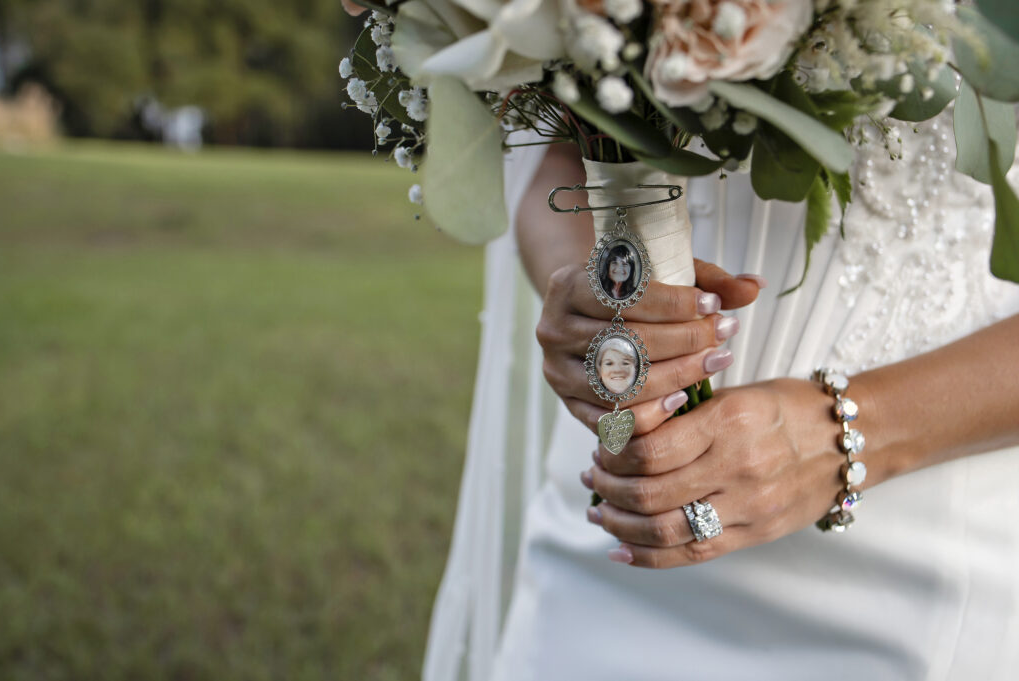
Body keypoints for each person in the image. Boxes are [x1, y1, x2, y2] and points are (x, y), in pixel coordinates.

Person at [423, 113, 1019, 680]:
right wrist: (593, 302)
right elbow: (548, 151)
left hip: (905, 562)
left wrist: (844, 435)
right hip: (611, 520)